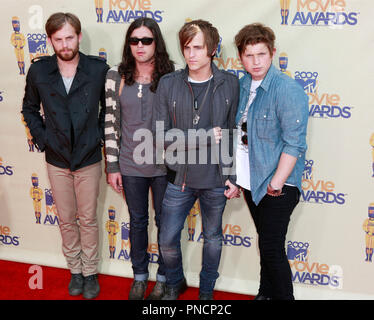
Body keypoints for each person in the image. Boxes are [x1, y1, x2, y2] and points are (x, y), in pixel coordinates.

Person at [22, 12, 109, 299]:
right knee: (66, 219)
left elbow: (109, 111)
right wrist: (44, 139)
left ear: (79, 37)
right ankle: (75, 271)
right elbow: (29, 109)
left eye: (69, 37)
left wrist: (97, 137)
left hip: (89, 158)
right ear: (50, 41)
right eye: (58, 39)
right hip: (56, 158)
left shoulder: (98, 70)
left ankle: (90, 271)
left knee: (89, 219)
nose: (65, 44)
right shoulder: (39, 71)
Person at [153, 19, 240, 300]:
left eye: (198, 48)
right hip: (180, 177)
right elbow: (159, 136)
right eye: (186, 48)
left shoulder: (230, 83)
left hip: (215, 178)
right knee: (166, 240)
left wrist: (232, 176)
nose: (191, 54)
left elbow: (231, 133)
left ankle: (205, 293)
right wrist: (201, 137)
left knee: (213, 239)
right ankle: (176, 282)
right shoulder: (168, 84)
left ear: (212, 49)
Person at [234, 23, 309, 300]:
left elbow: (294, 143)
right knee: (267, 244)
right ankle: (265, 294)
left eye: (261, 55)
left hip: (279, 183)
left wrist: (276, 183)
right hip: (252, 180)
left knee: (272, 246)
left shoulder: (287, 89)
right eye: (249, 55)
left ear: (273, 53)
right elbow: (240, 137)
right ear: (240, 56)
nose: (255, 62)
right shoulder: (241, 85)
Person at [104, 17, 174, 300]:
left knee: (166, 224)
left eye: (146, 40)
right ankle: (140, 276)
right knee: (137, 222)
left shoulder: (171, 77)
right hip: (130, 165)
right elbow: (109, 123)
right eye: (134, 40)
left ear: (156, 42)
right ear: (128, 44)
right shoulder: (115, 76)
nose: (140, 46)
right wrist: (112, 165)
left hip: (163, 166)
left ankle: (165, 277)